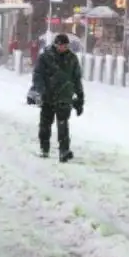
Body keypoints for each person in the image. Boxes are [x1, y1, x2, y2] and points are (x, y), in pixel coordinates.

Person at [32, 32, 84, 162]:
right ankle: (44, 148)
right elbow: (37, 75)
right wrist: (41, 90)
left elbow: (77, 78)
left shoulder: (72, 59)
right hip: (48, 96)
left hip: (65, 96)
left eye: (66, 45)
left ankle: (64, 151)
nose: (63, 48)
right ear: (56, 44)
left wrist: (80, 97)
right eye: (61, 45)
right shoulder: (45, 57)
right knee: (45, 124)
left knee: (63, 124)